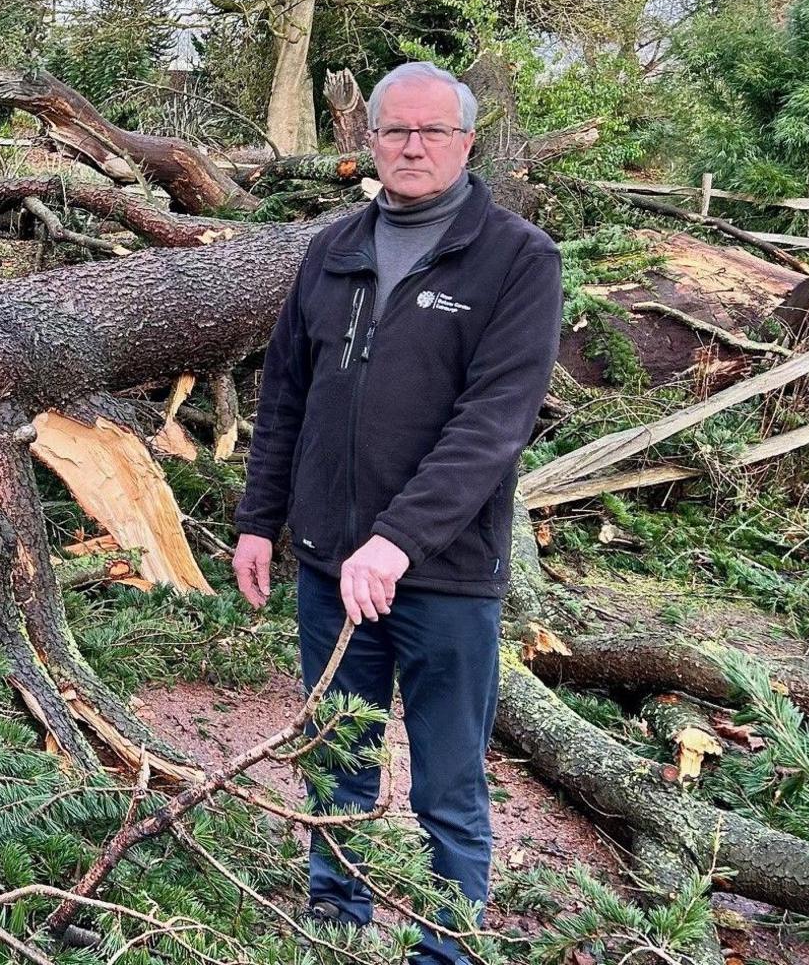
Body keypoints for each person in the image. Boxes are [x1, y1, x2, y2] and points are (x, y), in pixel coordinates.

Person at [231, 62, 562, 962]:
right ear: (367, 141)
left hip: (445, 576)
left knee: (448, 779)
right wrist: (261, 519)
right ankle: (334, 920)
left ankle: (445, 945)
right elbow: (286, 399)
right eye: (395, 131)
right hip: (332, 562)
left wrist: (399, 539)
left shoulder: (517, 260)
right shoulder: (333, 250)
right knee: (336, 751)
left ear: (466, 143)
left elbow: (493, 424)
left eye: (433, 132)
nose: (413, 146)